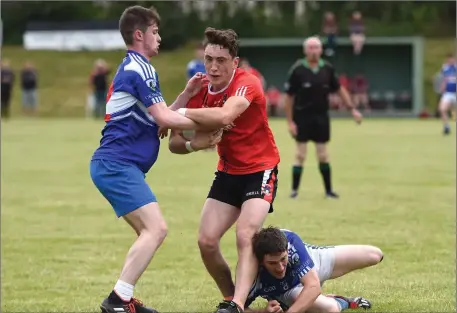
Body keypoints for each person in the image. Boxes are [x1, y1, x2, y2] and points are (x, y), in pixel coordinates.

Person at [89, 6, 205, 313]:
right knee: (157, 229)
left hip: (115, 166)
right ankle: (117, 300)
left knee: (148, 231)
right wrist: (211, 120)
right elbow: (164, 117)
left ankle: (124, 300)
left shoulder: (136, 67)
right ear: (139, 35)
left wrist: (186, 94)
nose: (159, 37)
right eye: (155, 32)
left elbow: (160, 119)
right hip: (117, 165)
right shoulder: (139, 69)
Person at [168, 27, 280, 313]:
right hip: (228, 171)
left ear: (235, 62)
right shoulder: (200, 90)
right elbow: (175, 143)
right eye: (208, 59)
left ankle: (238, 304)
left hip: (260, 168)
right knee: (206, 241)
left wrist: (175, 113)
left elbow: (225, 114)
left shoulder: (247, 83)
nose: (213, 67)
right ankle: (233, 297)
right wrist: (196, 143)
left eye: (221, 60)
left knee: (245, 234)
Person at [284, 37, 362, 199]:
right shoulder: (297, 70)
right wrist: (290, 121)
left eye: (316, 47)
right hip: (302, 117)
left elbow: (340, 89)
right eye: (310, 48)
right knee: (300, 155)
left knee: (323, 155)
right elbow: (289, 98)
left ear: (321, 50)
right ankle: (294, 191)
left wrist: (352, 109)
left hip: (321, 117)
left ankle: (328, 191)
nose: (313, 51)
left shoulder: (327, 68)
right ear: (305, 50)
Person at [246, 226, 383, 313]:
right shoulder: (253, 275)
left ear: (287, 250)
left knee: (375, 255)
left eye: (283, 259)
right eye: (272, 263)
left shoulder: (290, 241)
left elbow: (313, 285)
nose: (280, 267)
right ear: (261, 262)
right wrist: (263, 311)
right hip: (289, 289)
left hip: (313, 262)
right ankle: (344, 301)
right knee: (331, 309)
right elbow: (239, 308)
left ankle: (303, 304)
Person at [438, 54, 456, 135]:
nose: (451, 61)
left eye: (452, 59)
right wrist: (442, 87)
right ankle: (446, 126)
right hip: (448, 93)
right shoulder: (445, 68)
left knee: (454, 111)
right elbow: (444, 79)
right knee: (442, 109)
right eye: (449, 59)